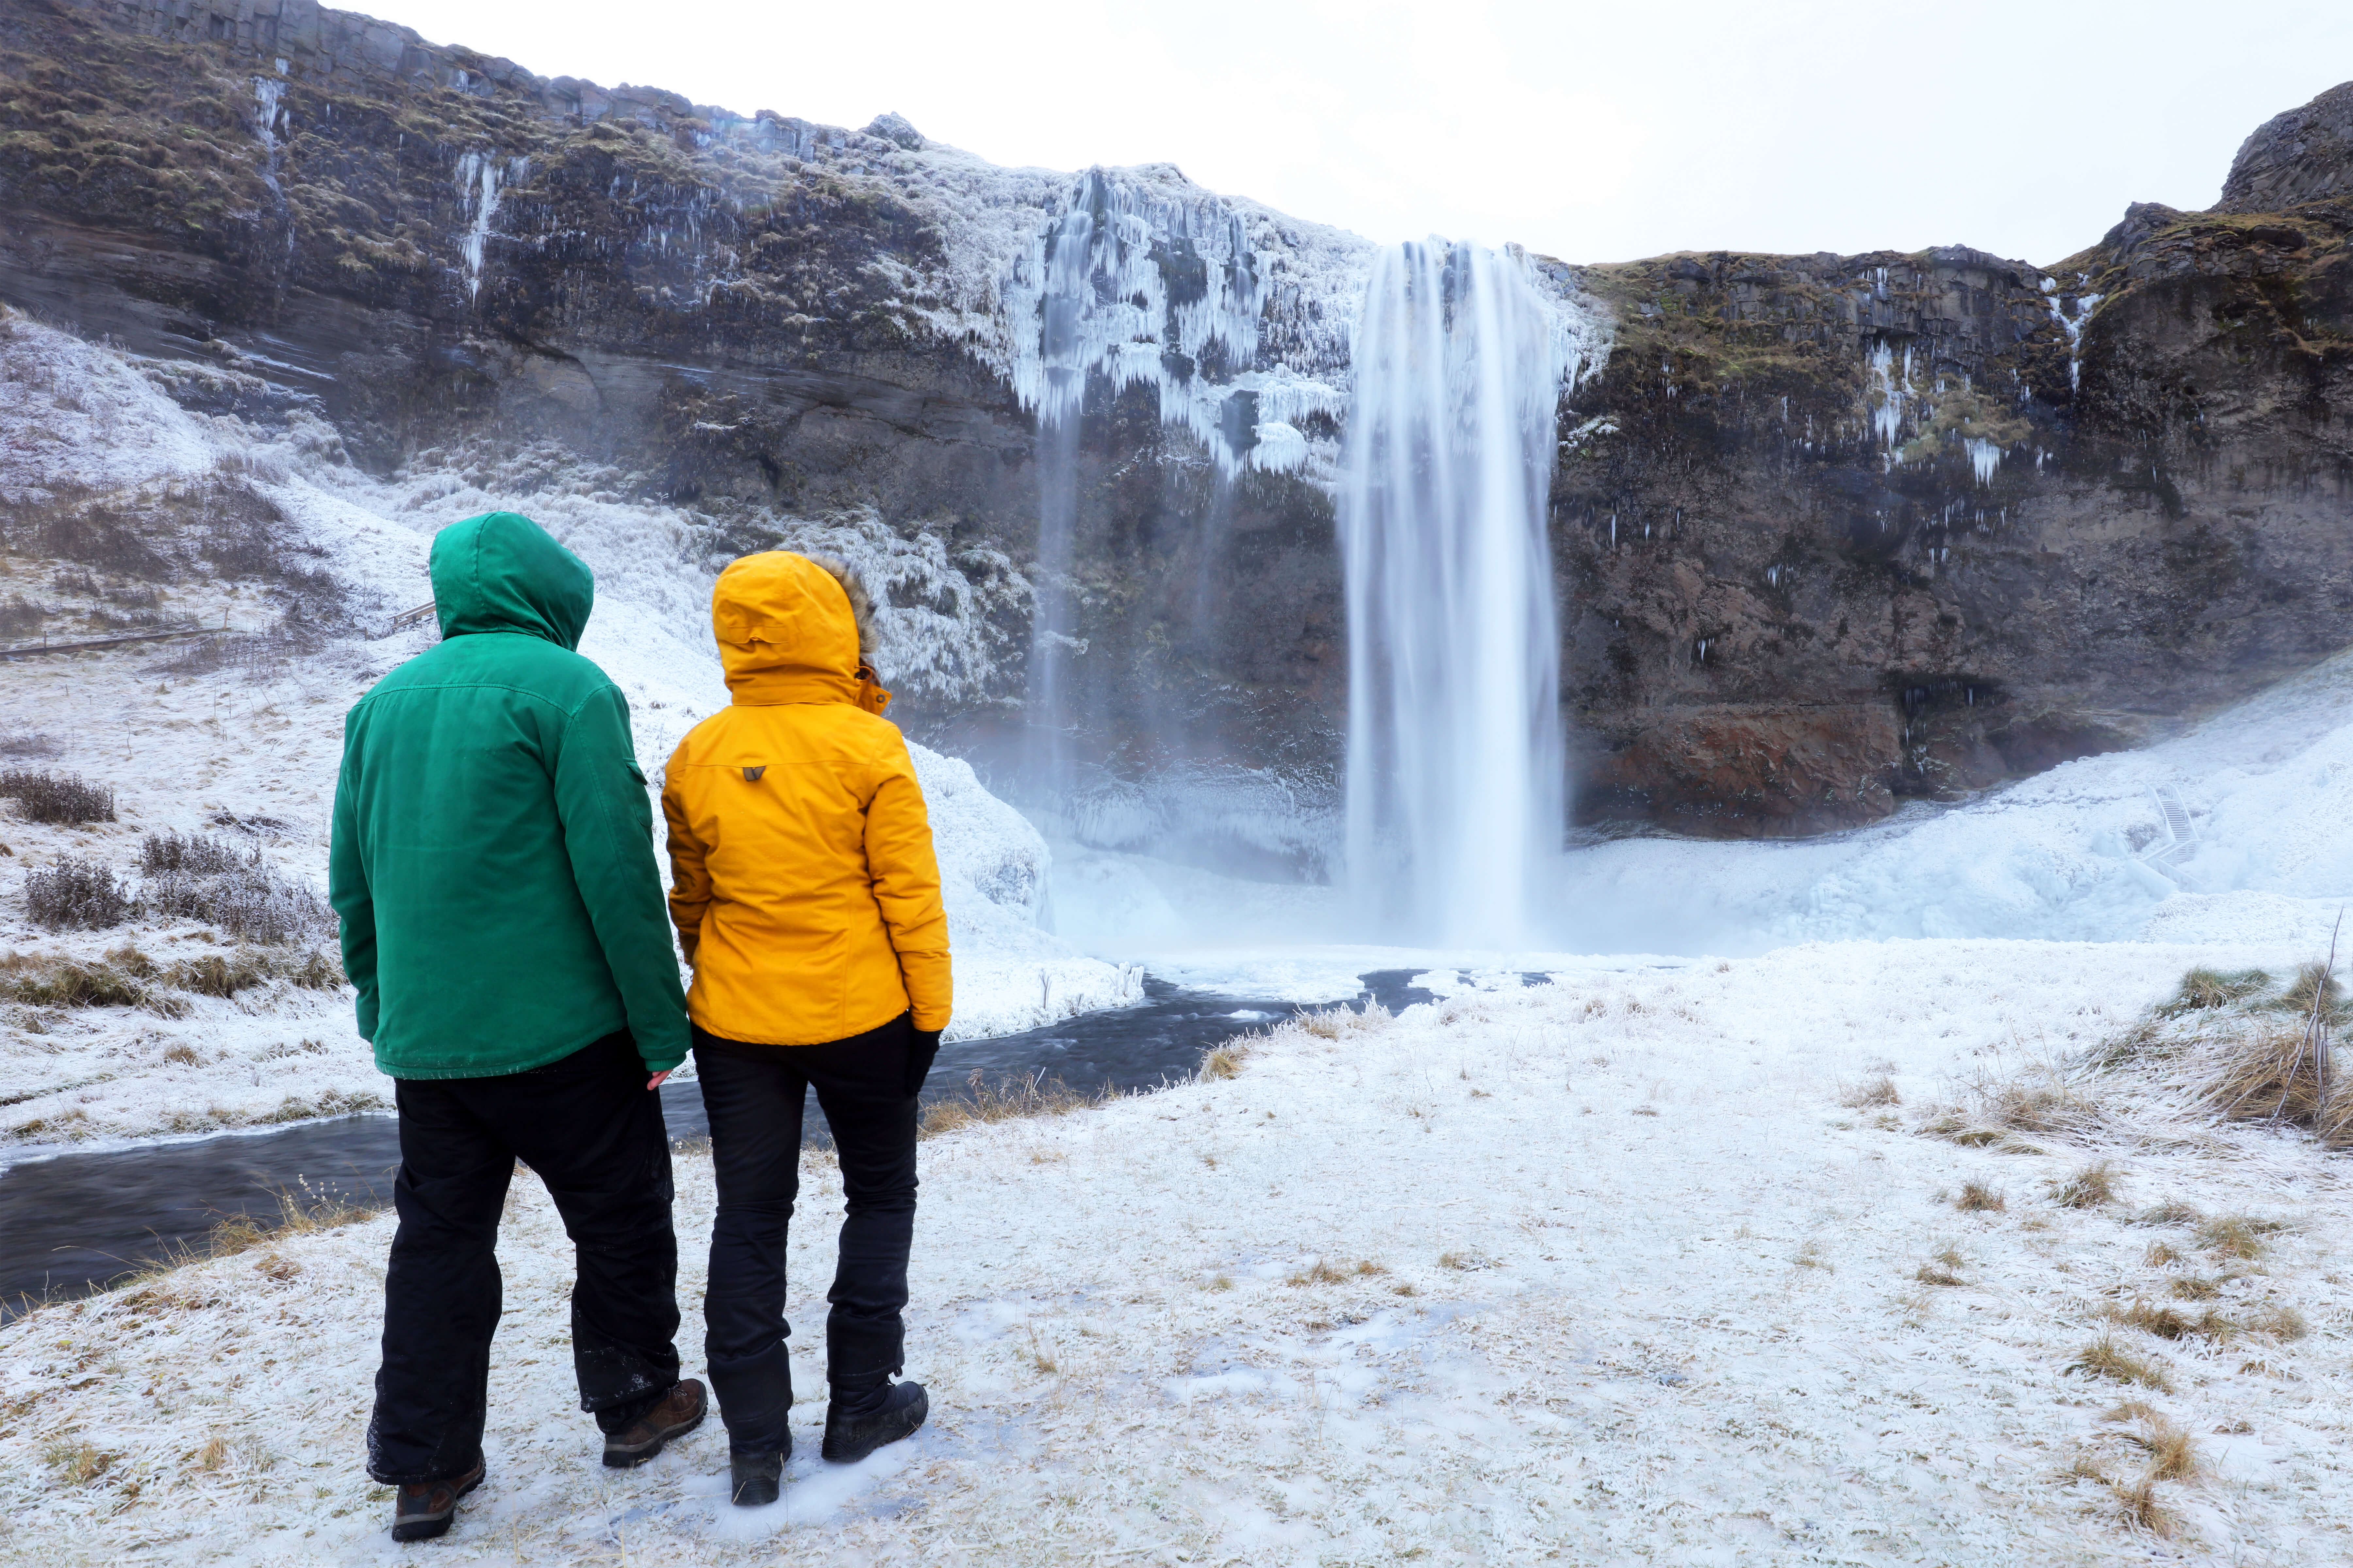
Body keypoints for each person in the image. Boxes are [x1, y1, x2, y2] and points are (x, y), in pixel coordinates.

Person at [330, 512, 704, 1544]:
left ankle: (426, 1470)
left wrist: (380, 1004)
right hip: (565, 1036)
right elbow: (617, 872)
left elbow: (351, 881)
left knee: (439, 1248)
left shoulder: (380, 707)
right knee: (621, 1218)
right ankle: (634, 1407)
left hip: (431, 1042)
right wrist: (658, 1026)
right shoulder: (570, 692)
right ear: (555, 594)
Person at [661, 550, 951, 1507]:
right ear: (835, 631)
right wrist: (929, 1018)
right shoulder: (870, 748)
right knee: (879, 1198)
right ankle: (859, 1406)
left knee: (749, 1216)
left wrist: (721, 967)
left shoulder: (699, 752)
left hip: (737, 1022)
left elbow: (692, 900)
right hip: (861, 1012)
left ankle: (754, 1446)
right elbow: (910, 899)